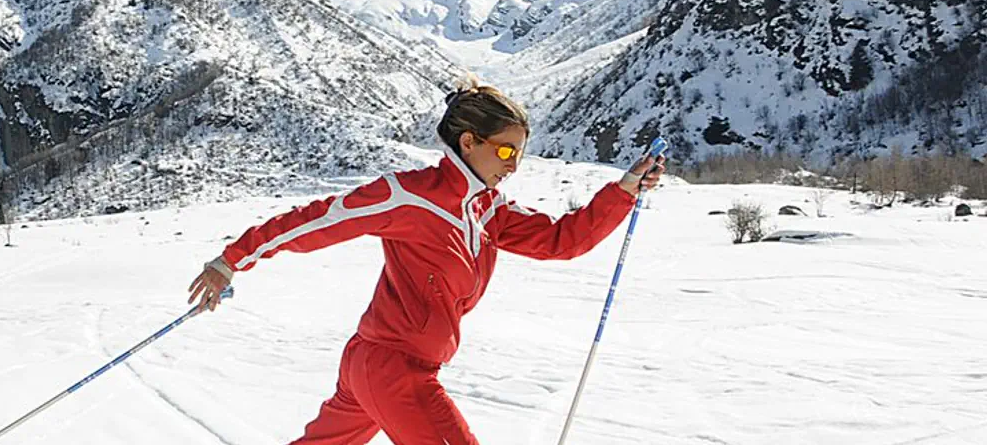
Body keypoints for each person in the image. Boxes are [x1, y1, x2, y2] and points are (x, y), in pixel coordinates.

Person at [184, 79, 666, 444]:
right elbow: (315, 221)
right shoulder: (409, 196)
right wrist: (231, 260)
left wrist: (622, 192)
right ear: (469, 143)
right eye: (504, 150)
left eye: (519, 154)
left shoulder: (489, 209)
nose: (513, 165)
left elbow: (562, 241)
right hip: (393, 367)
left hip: (381, 363)